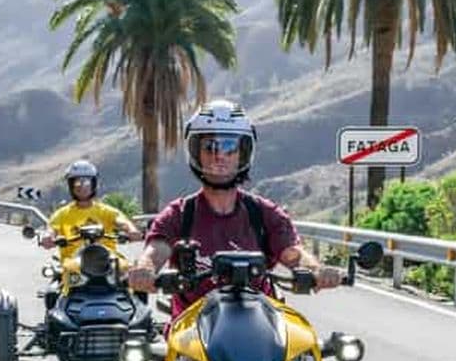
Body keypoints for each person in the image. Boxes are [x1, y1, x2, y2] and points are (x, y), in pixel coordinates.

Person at [127, 100, 342, 320]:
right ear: (195, 152)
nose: (219, 155)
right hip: (193, 329)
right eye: (210, 146)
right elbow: (156, 250)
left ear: (242, 153)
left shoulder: (265, 213)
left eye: (229, 147)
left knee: (304, 346)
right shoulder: (179, 214)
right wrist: (145, 268)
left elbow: (292, 253)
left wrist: (316, 270)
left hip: (260, 322)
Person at [40, 160, 143, 262]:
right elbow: (51, 228)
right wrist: (48, 237)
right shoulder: (61, 214)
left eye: (86, 181)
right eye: (76, 182)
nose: (81, 186)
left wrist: (131, 231)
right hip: (73, 263)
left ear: (94, 184)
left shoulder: (107, 211)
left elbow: (122, 221)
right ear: (71, 185)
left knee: (127, 269)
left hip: (106, 260)